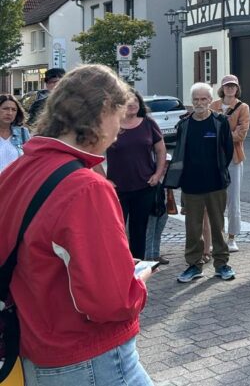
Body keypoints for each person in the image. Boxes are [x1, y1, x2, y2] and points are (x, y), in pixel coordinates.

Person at [0, 64, 153, 384]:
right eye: (120, 116)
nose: (120, 130)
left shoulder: (17, 171)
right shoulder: (85, 188)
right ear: (102, 111)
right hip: (91, 359)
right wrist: (136, 280)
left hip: (35, 349)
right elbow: (111, 302)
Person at [172, 82, 235, 283]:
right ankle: (194, 265)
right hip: (191, 186)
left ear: (210, 100)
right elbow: (180, 154)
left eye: (203, 99)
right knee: (193, 228)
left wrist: (218, 171)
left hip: (216, 184)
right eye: (196, 99)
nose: (200, 103)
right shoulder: (184, 125)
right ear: (192, 101)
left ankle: (222, 264)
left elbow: (228, 150)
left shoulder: (220, 122)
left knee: (218, 226)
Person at [105, 91, 167, 260]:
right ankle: (118, 264)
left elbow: (161, 150)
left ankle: (136, 267)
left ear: (140, 103)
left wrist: (158, 173)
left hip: (145, 186)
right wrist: (104, 180)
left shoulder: (148, 124)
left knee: (139, 230)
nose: (132, 103)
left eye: (135, 100)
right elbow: (93, 152)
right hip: (118, 189)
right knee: (116, 229)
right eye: (127, 100)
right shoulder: (111, 125)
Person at [210, 74, 250, 253]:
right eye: (227, 86)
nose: (230, 89)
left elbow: (241, 134)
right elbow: (207, 132)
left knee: (233, 199)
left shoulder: (243, 107)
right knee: (215, 198)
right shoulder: (213, 106)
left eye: (233, 86)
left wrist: (220, 136)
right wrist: (225, 134)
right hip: (213, 158)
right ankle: (216, 236)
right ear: (222, 88)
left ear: (237, 88)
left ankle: (232, 237)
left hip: (234, 157)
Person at [0, 94, 30, 174]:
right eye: (5, 109)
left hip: (15, 184)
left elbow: (29, 162)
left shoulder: (23, 133)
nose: (9, 113)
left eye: (13, 110)